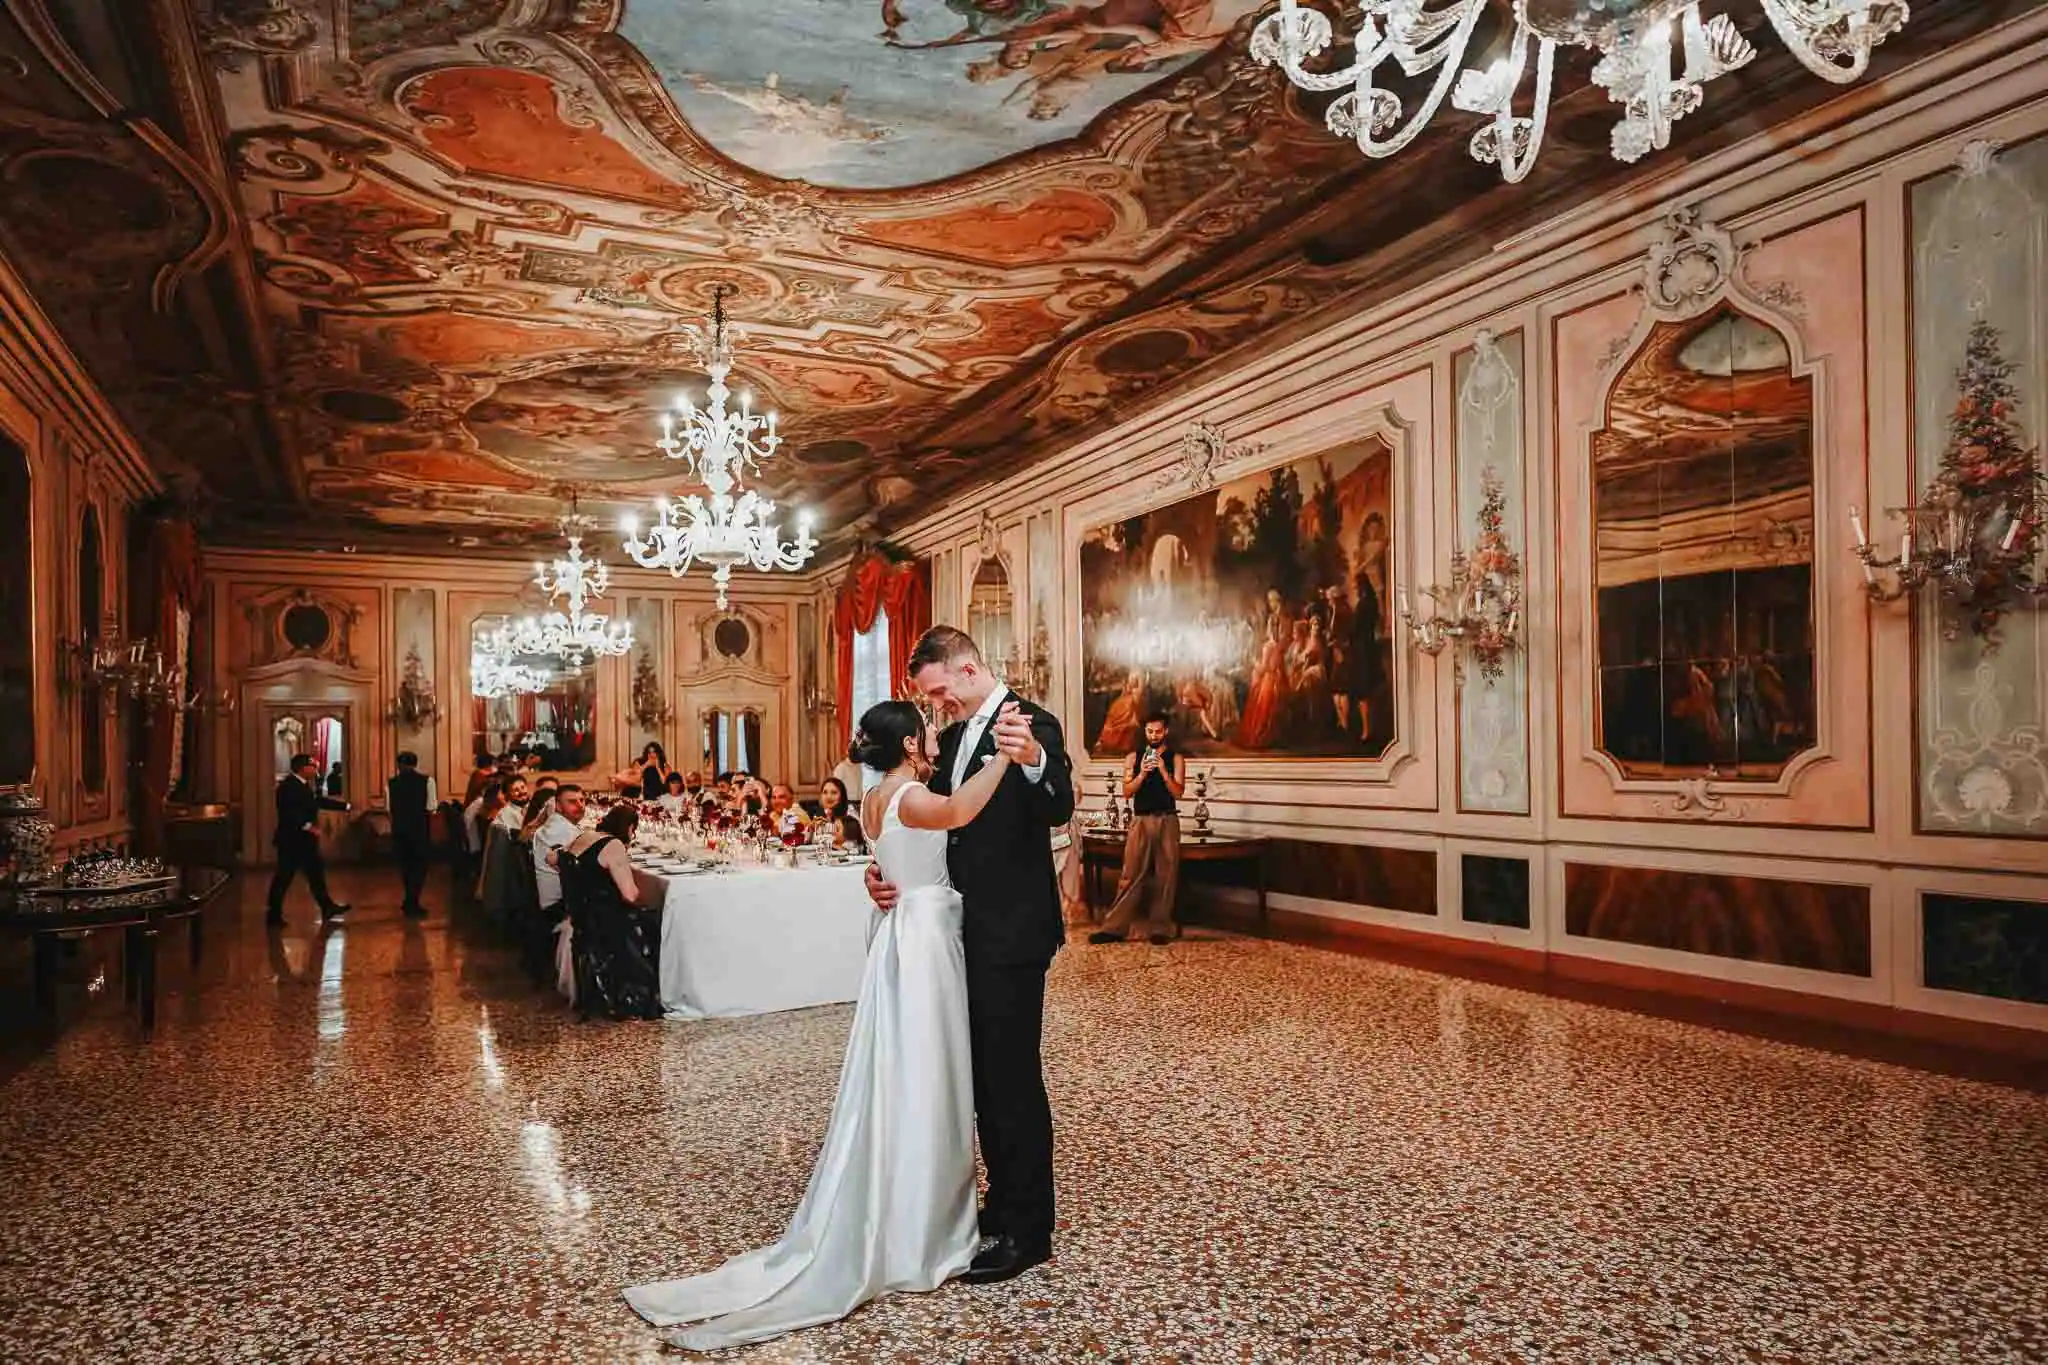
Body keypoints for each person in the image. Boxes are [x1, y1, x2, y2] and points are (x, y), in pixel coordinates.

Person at [624, 696, 1022, 1348]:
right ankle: (926, 1227)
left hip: (905, 930)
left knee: (910, 1068)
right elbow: (957, 811)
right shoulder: (911, 794)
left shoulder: (876, 798)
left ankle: (919, 1206)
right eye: (923, 733)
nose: (930, 740)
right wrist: (1006, 756)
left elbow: (902, 853)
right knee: (929, 1071)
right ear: (907, 743)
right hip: (923, 937)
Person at [866, 625, 1073, 1284]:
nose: (935, 707)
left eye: (937, 692)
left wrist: (1035, 757)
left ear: (966, 668)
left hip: (1011, 933)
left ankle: (1027, 1228)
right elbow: (930, 829)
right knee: (980, 1078)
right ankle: (998, 1203)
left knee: (1011, 1078)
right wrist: (883, 874)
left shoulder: (1032, 722)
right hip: (955, 936)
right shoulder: (953, 739)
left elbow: (1058, 802)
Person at [559, 805, 662, 1021]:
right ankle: (645, 993)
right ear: (630, 827)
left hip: (582, 915)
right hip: (605, 919)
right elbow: (630, 895)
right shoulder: (613, 845)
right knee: (658, 919)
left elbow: (552, 857)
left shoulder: (585, 836)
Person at [1092, 713, 1185, 945]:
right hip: (1140, 821)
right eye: (1149, 731)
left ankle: (1161, 928)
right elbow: (1126, 792)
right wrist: (1142, 773)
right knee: (1130, 874)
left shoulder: (1177, 758)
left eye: (1158, 731)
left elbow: (1178, 792)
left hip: (1167, 820)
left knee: (1167, 875)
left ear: (1166, 732)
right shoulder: (1133, 758)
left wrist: (1163, 770)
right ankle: (1114, 928)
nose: (1154, 736)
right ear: (1145, 731)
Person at [268, 753, 351, 926]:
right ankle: (273, 915)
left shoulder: (304, 785)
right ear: (302, 768)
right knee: (284, 878)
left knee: (315, 875)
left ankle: (327, 907)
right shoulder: (288, 786)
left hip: (304, 841)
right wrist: (308, 826)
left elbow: (317, 801)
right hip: (292, 841)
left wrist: (346, 806)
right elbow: (289, 813)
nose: (315, 769)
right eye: (313, 766)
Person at [387, 751, 436, 920]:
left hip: (399, 829)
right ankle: (412, 901)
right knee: (420, 867)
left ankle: (409, 900)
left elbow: (389, 809)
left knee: (405, 867)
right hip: (420, 829)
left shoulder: (391, 783)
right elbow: (431, 807)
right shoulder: (427, 781)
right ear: (415, 764)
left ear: (398, 765)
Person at [533, 784, 585, 914]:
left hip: (549, 898)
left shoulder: (556, 822)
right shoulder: (562, 830)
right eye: (572, 802)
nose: (580, 805)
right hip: (558, 904)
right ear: (559, 806)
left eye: (582, 800)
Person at [814, 776, 864, 850]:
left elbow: (848, 845)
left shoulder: (850, 815)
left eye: (834, 793)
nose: (828, 796)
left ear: (842, 796)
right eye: (825, 792)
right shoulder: (821, 814)